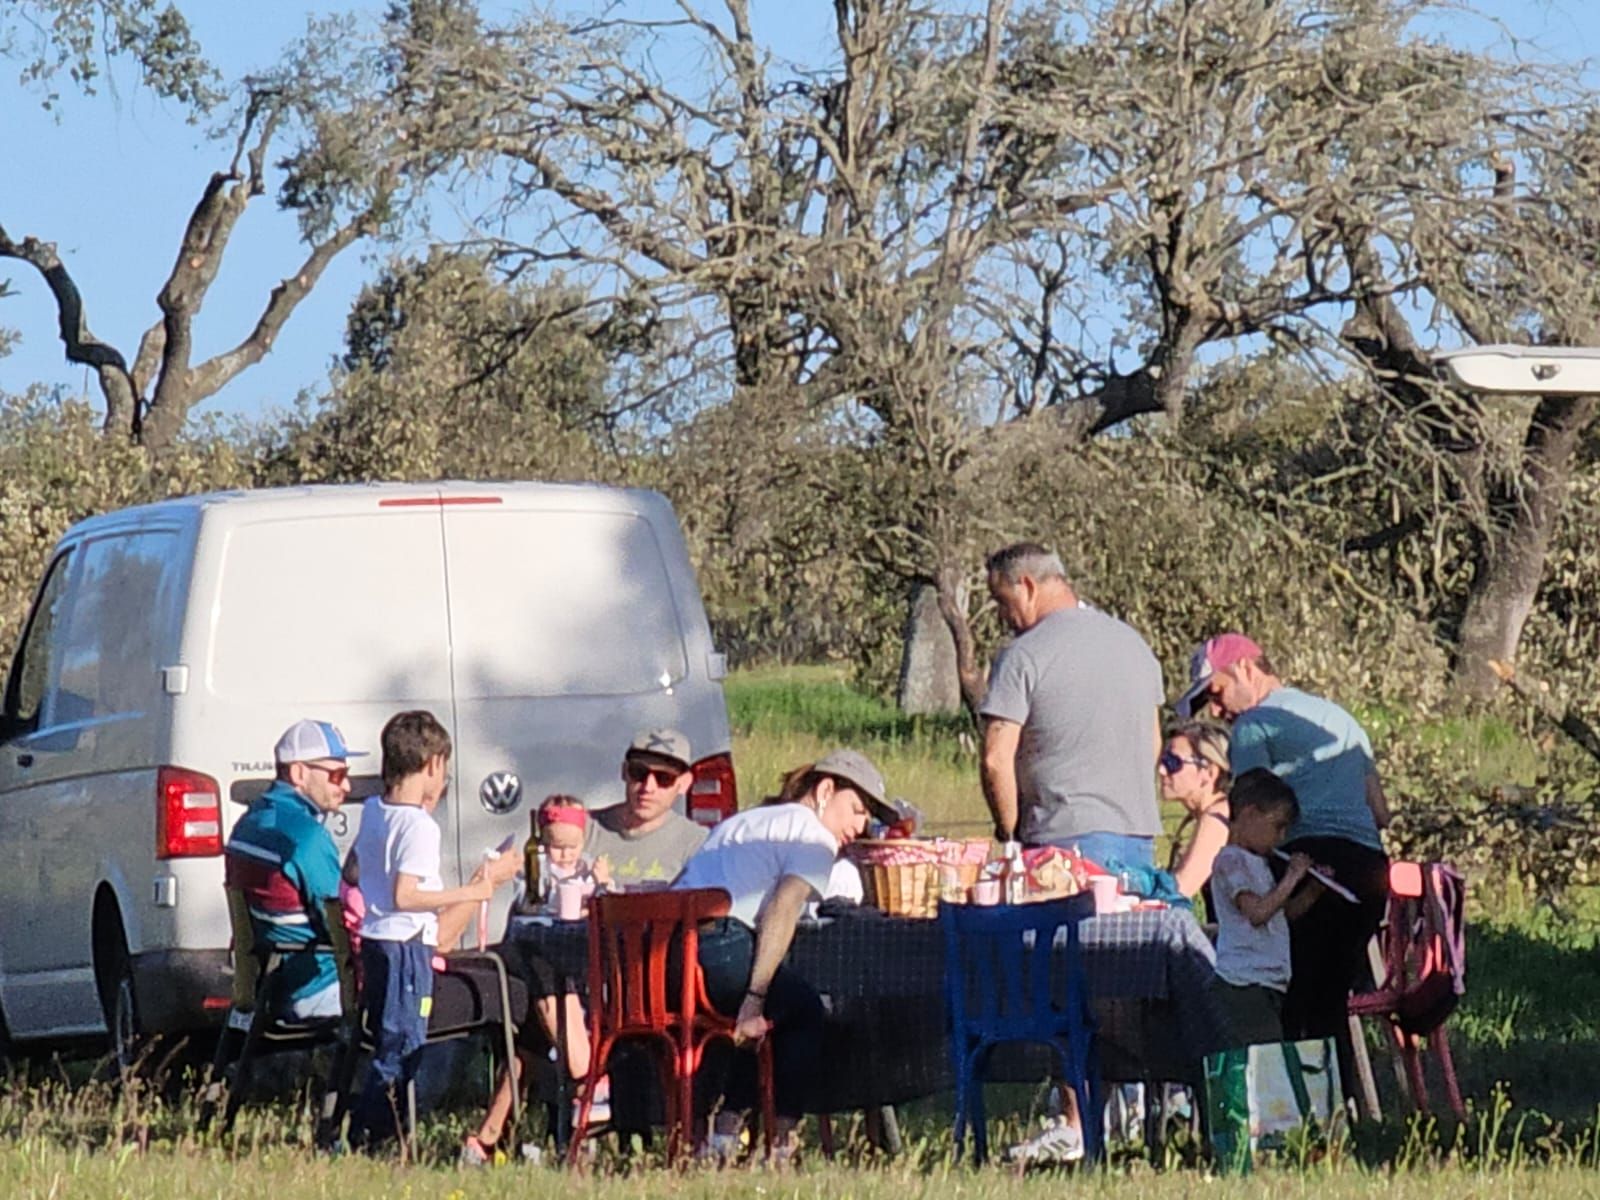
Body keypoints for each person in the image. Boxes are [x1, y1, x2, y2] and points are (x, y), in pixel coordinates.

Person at [672, 749, 894, 1160]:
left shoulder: (748, 820)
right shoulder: (814, 836)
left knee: (778, 1007)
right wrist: (754, 996)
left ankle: (726, 1131)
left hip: (665, 957)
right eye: (857, 810)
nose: (860, 827)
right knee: (804, 1008)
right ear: (826, 790)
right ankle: (781, 1139)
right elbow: (783, 908)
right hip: (716, 945)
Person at [1175, 632, 1390, 1040]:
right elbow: (1381, 813)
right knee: (1330, 1001)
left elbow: (1248, 808)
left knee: (1293, 1005)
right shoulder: (1340, 718)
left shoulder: (1254, 725)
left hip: (1308, 862)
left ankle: (1288, 1098)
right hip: (1368, 869)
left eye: (1216, 693)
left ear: (1245, 667)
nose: (1218, 711)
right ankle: (1337, 1097)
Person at [346, 710, 499, 1150]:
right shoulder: (419, 827)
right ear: (433, 764)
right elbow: (406, 896)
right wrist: (471, 893)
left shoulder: (376, 810)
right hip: (406, 942)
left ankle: (376, 1132)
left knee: (388, 1038)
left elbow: (353, 870)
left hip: (376, 940)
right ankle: (369, 1135)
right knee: (405, 1043)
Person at [979, 542, 1165, 868]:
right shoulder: (1134, 645)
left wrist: (1008, 833)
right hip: (1137, 839)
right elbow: (1153, 742)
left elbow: (996, 758)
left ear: (1027, 586)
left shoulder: (1023, 655)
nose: (1003, 615)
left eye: (1003, 602)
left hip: (1060, 840)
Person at [223, 719, 364, 1021]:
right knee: (434, 1003)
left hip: (266, 990)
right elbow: (342, 927)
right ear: (299, 773)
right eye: (337, 775)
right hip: (316, 988)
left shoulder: (245, 828)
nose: (347, 786)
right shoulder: (306, 837)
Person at [1209, 769, 1324, 1047]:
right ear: (1249, 815)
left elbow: (1280, 916)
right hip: (1244, 982)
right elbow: (1258, 913)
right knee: (1263, 1063)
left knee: (1270, 1055)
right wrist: (1292, 876)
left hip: (1267, 981)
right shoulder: (1231, 861)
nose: (1281, 836)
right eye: (1277, 826)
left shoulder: (1257, 862)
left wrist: (1313, 891)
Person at [583, 729, 709, 889]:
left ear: (684, 783)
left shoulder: (696, 844)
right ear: (624, 772)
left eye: (664, 778)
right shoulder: (585, 830)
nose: (648, 787)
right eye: (639, 773)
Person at [1159, 720, 1233, 901]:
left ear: (1208, 773)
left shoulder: (1217, 817)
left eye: (1172, 762)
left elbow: (1181, 889)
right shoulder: (1217, 812)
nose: (1161, 770)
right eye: (1162, 760)